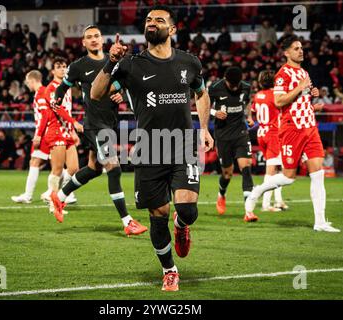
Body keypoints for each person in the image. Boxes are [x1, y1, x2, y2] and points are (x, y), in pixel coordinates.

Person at [90, 5, 214, 291]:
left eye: (159, 19)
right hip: (149, 149)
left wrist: (205, 128)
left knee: (188, 209)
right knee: (158, 215)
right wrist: (110, 62)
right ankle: (169, 270)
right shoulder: (130, 64)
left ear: (171, 29)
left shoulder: (190, 62)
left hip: (183, 145)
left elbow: (202, 93)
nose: (151, 22)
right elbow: (96, 95)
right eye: (148, 19)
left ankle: (182, 226)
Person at [50, 25, 148, 236]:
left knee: (94, 168)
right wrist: (57, 97)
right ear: (83, 43)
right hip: (94, 125)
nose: (93, 39)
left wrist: (120, 92)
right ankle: (127, 221)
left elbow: (125, 83)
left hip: (109, 123)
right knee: (114, 167)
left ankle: (60, 195)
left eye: (96, 36)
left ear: (102, 40)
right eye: (89, 37)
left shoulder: (116, 62)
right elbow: (63, 85)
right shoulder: (78, 66)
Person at [245, 35, 340, 233]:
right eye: (296, 48)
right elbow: (279, 102)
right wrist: (300, 88)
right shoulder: (282, 75)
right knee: (289, 177)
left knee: (318, 173)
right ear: (287, 53)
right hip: (292, 129)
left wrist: (314, 104)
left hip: (310, 127)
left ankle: (320, 222)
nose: (301, 51)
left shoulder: (304, 72)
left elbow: (301, 102)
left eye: (301, 47)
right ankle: (258, 191)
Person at [10, 70, 76, 205]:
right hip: (51, 132)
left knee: (39, 163)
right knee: (53, 165)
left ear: (32, 80)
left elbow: (45, 115)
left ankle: (32, 195)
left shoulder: (41, 93)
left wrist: (38, 135)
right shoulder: (44, 91)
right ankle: (66, 193)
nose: (27, 85)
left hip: (47, 133)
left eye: (28, 82)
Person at [209, 66, 258, 222]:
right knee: (227, 173)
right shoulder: (215, 88)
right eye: (232, 86)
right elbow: (202, 105)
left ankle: (248, 211)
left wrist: (249, 116)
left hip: (241, 133)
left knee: (246, 167)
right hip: (222, 135)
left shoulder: (246, 87)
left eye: (237, 85)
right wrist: (214, 113)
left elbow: (248, 102)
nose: (235, 88)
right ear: (225, 79)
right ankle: (221, 194)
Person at [35, 57, 83, 218]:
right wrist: (74, 123)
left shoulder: (67, 88)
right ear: (53, 71)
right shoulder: (51, 88)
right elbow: (58, 109)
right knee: (56, 170)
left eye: (64, 66)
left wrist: (72, 131)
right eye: (58, 67)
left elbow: (66, 111)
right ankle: (53, 203)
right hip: (55, 130)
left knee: (74, 168)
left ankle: (54, 195)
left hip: (67, 131)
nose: (62, 69)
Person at [251, 70, 288, 212]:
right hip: (273, 133)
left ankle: (279, 201)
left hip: (261, 133)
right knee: (272, 170)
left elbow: (253, 110)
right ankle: (266, 204)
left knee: (279, 168)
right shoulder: (275, 95)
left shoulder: (258, 95)